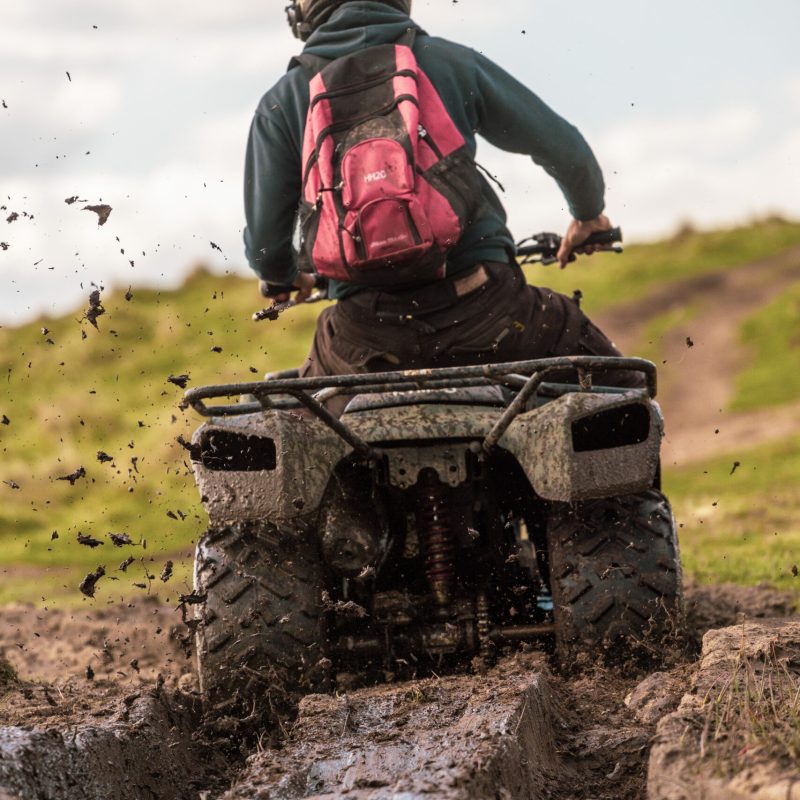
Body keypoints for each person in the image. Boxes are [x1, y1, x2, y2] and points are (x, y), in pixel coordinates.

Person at [243, 0, 640, 390]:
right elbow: (564, 149)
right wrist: (588, 215)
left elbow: (265, 246)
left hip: (362, 338)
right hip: (491, 310)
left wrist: (283, 277)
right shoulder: (448, 62)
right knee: (622, 391)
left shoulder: (283, 100)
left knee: (299, 423)